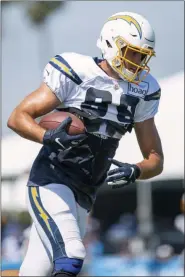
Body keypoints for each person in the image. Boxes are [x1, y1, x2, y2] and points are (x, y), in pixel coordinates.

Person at [7, 11, 164, 277]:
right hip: (51, 181)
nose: (137, 62)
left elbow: (155, 158)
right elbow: (18, 117)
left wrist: (136, 170)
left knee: (36, 271)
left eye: (142, 55)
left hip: (85, 193)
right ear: (112, 44)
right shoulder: (77, 72)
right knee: (72, 256)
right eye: (132, 52)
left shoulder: (145, 90)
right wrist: (46, 136)